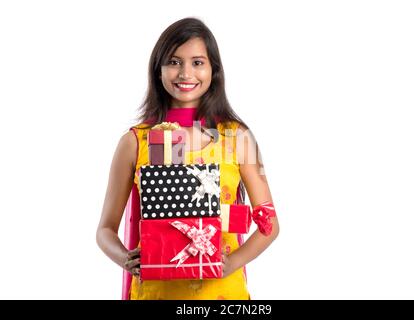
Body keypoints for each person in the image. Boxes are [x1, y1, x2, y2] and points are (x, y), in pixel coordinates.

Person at [96, 17, 279, 300]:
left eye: (197, 62)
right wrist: (125, 258)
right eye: (173, 61)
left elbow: (270, 223)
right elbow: (105, 230)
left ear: (213, 70)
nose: (185, 73)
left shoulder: (239, 137)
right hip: (156, 292)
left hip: (221, 294)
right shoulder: (135, 141)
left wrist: (231, 263)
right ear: (158, 70)